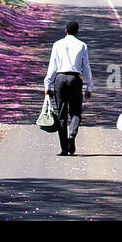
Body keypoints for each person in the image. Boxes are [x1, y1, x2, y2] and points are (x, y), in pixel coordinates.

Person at [44, 20, 93, 156]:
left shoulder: (57, 44)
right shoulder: (82, 45)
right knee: (76, 111)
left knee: (61, 114)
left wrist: (47, 84)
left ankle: (64, 148)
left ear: (65, 31)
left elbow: (52, 66)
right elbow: (86, 66)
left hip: (60, 79)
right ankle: (72, 135)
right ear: (77, 32)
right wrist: (89, 86)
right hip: (75, 79)